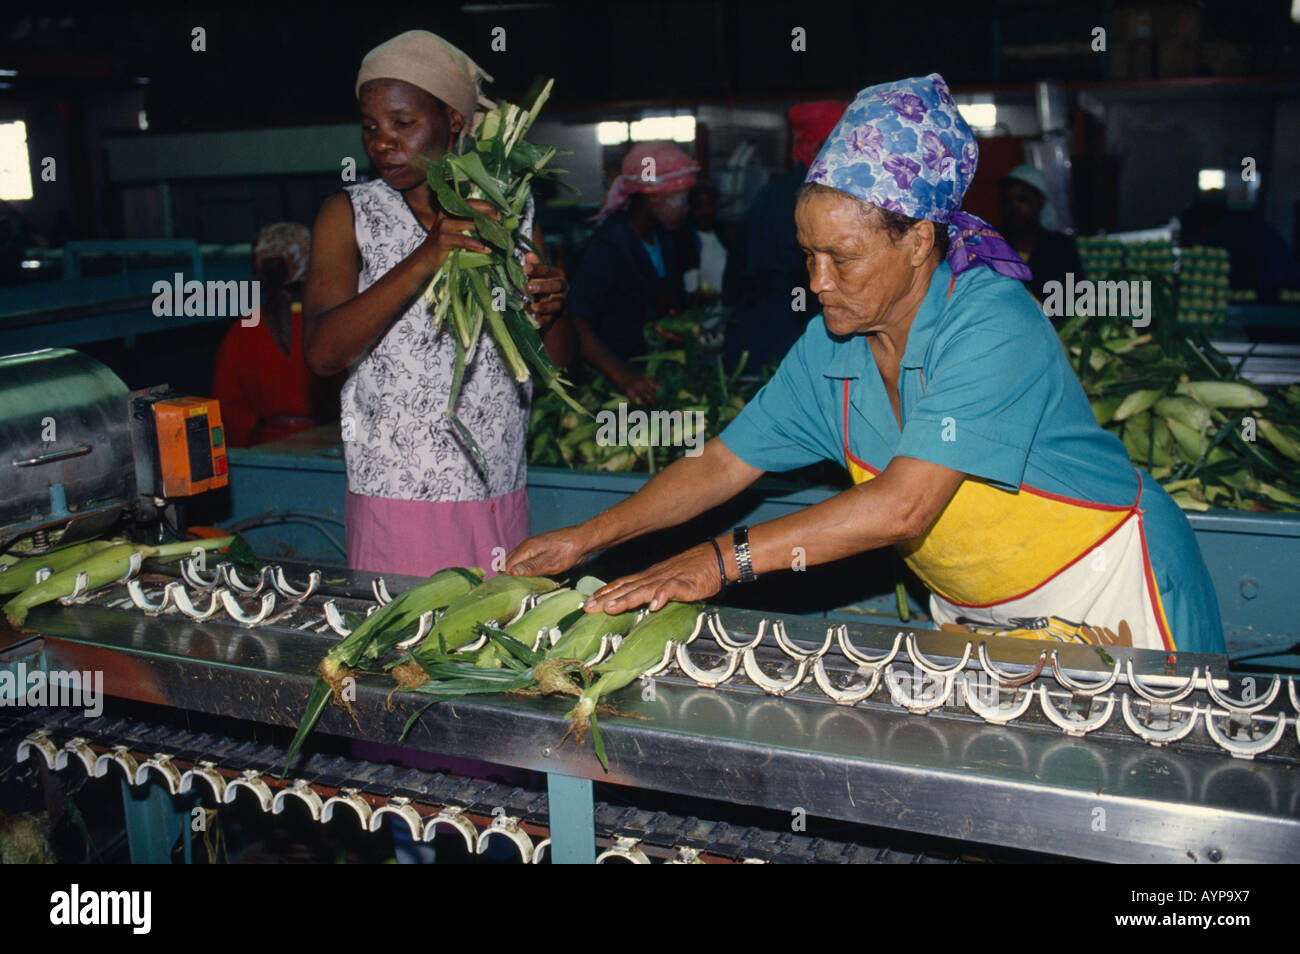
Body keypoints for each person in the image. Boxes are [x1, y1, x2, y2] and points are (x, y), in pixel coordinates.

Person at [507, 73, 1224, 655]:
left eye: (842, 258)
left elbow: (904, 505)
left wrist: (717, 561)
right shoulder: (834, 348)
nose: (817, 283)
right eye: (808, 256)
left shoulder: (991, 321)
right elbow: (722, 464)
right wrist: (586, 538)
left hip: (1110, 581)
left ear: (916, 239)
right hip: (988, 613)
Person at [303, 29, 574, 578]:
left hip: (498, 491)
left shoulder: (510, 213)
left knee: (490, 657)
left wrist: (554, 308)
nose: (382, 143)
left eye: (403, 123)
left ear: (453, 118)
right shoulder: (351, 215)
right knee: (410, 654)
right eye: (370, 127)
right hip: (400, 499)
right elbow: (322, 354)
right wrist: (427, 256)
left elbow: (559, 365)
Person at [567, 141, 698, 404]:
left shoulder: (666, 237)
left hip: (648, 376)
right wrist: (621, 374)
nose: (688, 207)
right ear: (653, 197)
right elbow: (576, 321)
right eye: (682, 198)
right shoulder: (609, 246)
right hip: (611, 386)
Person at [722, 100, 848, 367]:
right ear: (816, 148)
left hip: (759, 327)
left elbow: (733, 276)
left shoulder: (776, 191)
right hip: (780, 335)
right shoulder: (810, 199)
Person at [212, 223, 329, 447]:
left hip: (266, 454)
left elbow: (228, 410)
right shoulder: (332, 323)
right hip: (329, 449)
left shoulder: (243, 330)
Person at [999, 163, 1084, 306]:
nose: (1014, 207)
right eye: (1008, 201)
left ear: (1040, 201)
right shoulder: (992, 244)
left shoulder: (1060, 247)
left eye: (1022, 199)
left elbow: (1077, 297)